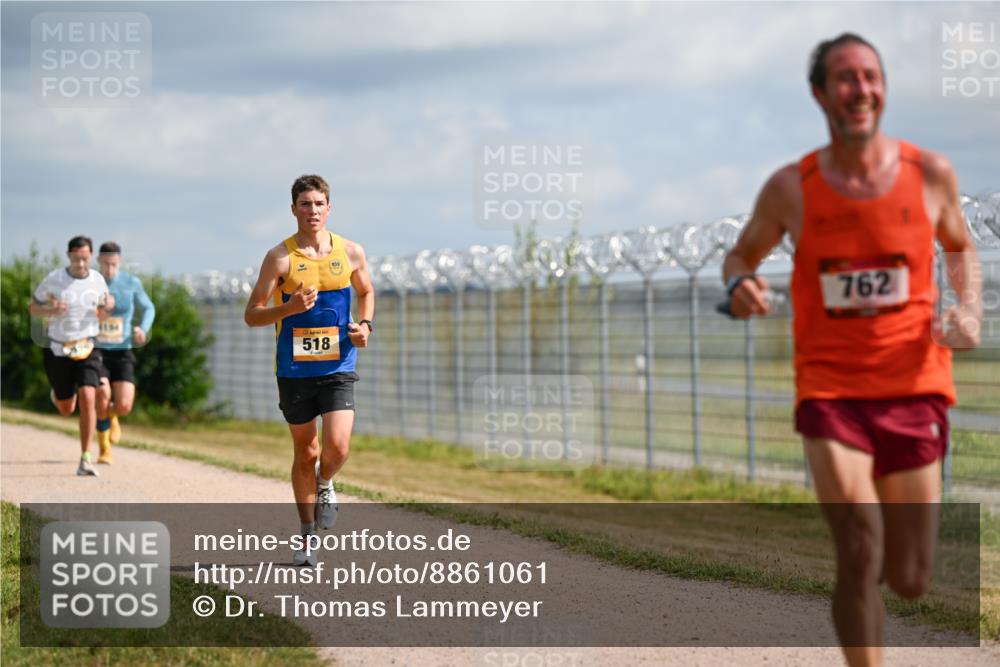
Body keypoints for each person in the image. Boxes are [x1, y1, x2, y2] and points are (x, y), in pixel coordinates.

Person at [721, 34, 981, 667]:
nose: (860, 89)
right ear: (820, 95)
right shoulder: (792, 187)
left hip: (914, 385)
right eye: (844, 78)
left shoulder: (931, 175)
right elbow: (741, 255)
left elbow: (960, 247)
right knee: (860, 547)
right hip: (830, 392)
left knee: (913, 575)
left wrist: (969, 308)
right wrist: (739, 286)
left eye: (871, 76)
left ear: (883, 88)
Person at [245, 174, 375, 566]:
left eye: (319, 204)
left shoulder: (351, 251)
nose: (312, 211)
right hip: (295, 370)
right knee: (307, 451)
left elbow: (366, 292)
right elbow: (252, 315)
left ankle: (326, 482)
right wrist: (289, 308)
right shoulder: (280, 258)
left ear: (329, 208)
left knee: (336, 448)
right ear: (293, 209)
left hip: (338, 364)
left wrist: (365, 326)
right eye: (305, 204)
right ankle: (306, 538)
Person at [29, 235, 116, 476]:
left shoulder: (98, 281)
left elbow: (102, 315)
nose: (81, 264)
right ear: (69, 256)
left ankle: (85, 458)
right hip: (58, 348)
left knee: (89, 394)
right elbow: (32, 308)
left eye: (85, 259)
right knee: (67, 408)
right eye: (76, 259)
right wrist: (51, 310)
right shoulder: (54, 280)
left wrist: (107, 308)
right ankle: (59, 395)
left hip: (88, 345)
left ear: (90, 257)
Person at [93, 241, 156, 464]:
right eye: (106, 264)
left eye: (114, 265)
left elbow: (149, 308)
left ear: (119, 263)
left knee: (125, 405)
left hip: (123, 350)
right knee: (102, 394)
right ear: (98, 261)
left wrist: (143, 328)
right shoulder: (91, 283)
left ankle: (113, 414)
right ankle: (104, 449)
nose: (109, 269)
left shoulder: (131, 282)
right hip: (97, 349)